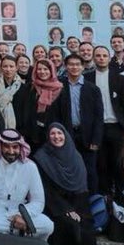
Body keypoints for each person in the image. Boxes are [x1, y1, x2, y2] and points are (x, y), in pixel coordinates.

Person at [33, 123, 97, 245]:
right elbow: (45, 190)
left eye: (59, 133)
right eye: (52, 133)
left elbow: (82, 188)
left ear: (66, 135)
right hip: (54, 206)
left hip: (77, 203)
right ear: (48, 137)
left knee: (88, 238)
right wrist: (66, 209)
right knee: (71, 226)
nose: (57, 137)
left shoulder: (76, 156)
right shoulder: (41, 157)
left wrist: (76, 209)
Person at [46, 54, 103, 192]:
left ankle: (92, 199)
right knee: (68, 169)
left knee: (90, 170)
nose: (74, 67)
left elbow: (98, 116)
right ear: (66, 66)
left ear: (83, 67)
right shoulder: (59, 87)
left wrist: (96, 139)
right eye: (71, 64)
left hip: (87, 137)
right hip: (65, 135)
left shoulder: (92, 89)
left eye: (77, 64)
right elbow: (54, 114)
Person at [86, 45, 124, 195]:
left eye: (104, 55)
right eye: (98, 55)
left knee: (119, 164)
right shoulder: (87, 78)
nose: (101, 58)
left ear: (109, 58)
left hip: (116, 127)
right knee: (100, 165)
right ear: (94, 58)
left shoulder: (121, 78)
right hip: (96, 128)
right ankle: (104, 198)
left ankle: (122, 197)